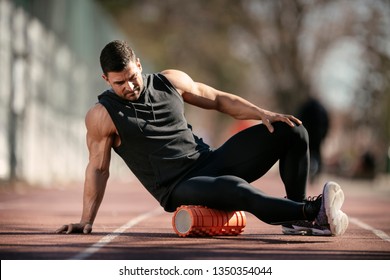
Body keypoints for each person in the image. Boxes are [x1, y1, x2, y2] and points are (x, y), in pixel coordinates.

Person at [56, 40, 348, 236]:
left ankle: (294, 220)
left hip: (209, 160)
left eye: (133, 76)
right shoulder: (102, 115)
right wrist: (86, 220)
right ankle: (312, 211)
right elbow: (98, 169)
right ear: (106, 79)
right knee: (236, 189)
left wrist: (262, 113)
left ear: (139, 65)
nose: (129, 86)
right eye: (120, 82)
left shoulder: (170, 81)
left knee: (292, 131)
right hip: (178, 186)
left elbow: (218, 99)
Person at [297, 97, 329, 183]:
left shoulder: (306, 107)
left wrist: (301, 134)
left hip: (307, 135)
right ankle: (317, 174)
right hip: (318, 136)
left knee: (307, 155)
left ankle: (306, 174)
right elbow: (327, 123)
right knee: (317, 155)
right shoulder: (322, 109)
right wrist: (324, 135)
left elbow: (299, 119)